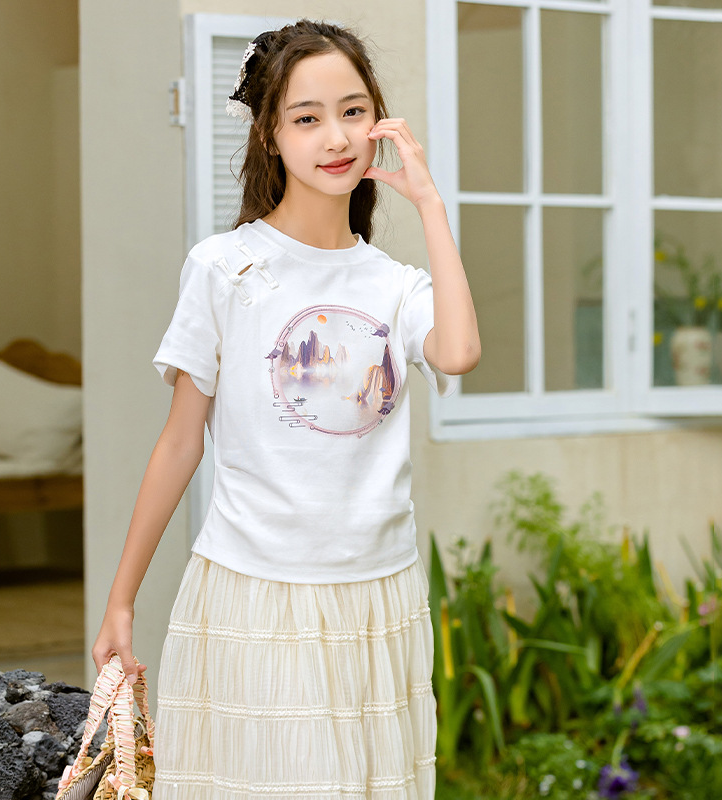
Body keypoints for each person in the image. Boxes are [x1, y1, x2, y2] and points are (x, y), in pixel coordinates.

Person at [92, 17, 480, 800]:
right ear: (270, 135)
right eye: (307, 118)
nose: (335, 137)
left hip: (376, 599)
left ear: (379, 122)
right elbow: (180, 443)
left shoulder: (394, 284)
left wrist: (431, 205)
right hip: (253, 592)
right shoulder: (225, 268)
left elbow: (458, 352)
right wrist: (120, 599)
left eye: (353, 111)